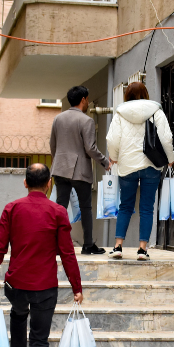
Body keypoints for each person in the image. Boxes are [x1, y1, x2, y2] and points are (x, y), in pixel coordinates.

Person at [0, 163, 83, 347]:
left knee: (18, 314)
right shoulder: (58, 212)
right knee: (39, 340)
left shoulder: (12, 208)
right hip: (45, 287)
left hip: (16, 284)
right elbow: (67, 253)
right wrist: (76, 286)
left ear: (25, 183)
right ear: (49, 184)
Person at [106, 81, 174, 260]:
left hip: (127, 165)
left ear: (126, 96)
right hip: (151, 164)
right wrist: (170, 158)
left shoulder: (120, 113)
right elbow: (166, 138)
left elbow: (112, 139)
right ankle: (142, 249)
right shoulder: (156, 112)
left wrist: (114, 157)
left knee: (125, 206)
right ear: (145, 93)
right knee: (146, 208)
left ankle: (118, 246)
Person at [50, 85, 110, 255]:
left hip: (60, 168)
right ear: (83, 99)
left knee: (60, 208)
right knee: (85, 208)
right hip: (80, 170)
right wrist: (105, 162)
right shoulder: (86, 120)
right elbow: (90, 148)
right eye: (88, 98)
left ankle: (56, 245)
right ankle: (88, 245)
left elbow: (52, 145)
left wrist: (59, 161)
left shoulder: (58, 119)